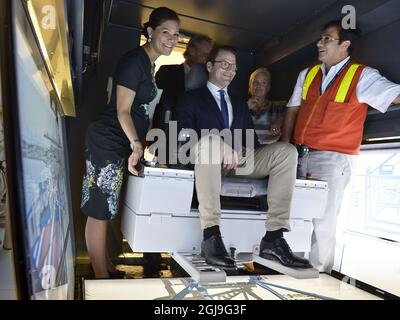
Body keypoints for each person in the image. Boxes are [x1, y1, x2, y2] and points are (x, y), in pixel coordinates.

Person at [176, 45, 312, 269]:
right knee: (210, 144)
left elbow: (253, 143)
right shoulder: (191, 98)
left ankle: (274, 238)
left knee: (287, 152)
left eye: (234, 67)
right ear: (209, 66)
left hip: (238, 162)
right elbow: (184, 136)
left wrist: (242, 149)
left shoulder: (239, 104)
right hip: (206, 160)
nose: (230, 71)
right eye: (225, 65)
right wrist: (221, 145)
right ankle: (211, 236)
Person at [281, 20, 400, 273]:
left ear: (345, 44)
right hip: (298, 154)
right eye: (320, 38)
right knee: (294, 212)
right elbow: (292, 111)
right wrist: (284, 147)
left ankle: (319, 274)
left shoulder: (363, 76)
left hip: (333, 159)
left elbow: (394, 94)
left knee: (323, 220)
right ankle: (291, 267)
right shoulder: (308, 73)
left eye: (326, 39)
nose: (319, 43)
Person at [80, 7, 180, 279]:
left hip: (119, 141)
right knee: (99, 209)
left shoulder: (149, 64)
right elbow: (123, 109)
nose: (171, 39)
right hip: (108, 138)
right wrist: (137, 143)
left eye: (176, 34)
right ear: (150, 32)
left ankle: (106, 267)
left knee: (107, 206)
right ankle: (100, 277)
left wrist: (140, 142)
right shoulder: (135, 60)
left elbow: (141, 111)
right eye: (165, 32)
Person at [152, 35, 213, 128]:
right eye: (205, 55)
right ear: (192, 51)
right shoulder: (167, 72)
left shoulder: (209, 81)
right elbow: (155, 102)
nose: (208, 61)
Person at [247, 67, 287, 144]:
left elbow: (294, 112)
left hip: (270, 151)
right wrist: (245, 109)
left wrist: (280, 121)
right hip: (247, 150)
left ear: (268, 88)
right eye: (255, 82)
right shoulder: (240, 108)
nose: (259, 86)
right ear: (250, 86)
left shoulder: (278, 106)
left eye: (263, 83)